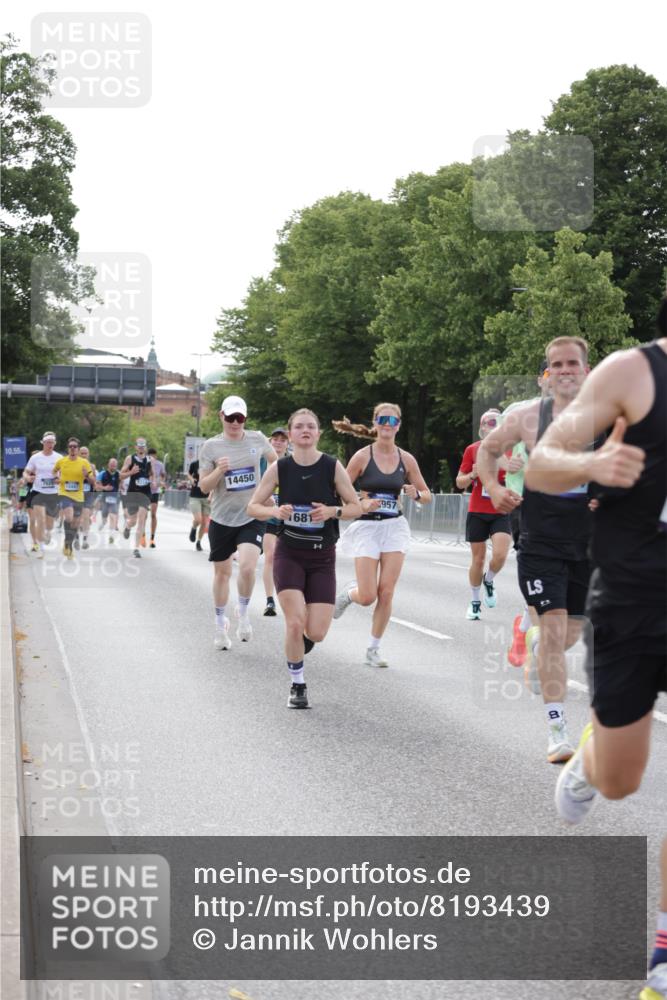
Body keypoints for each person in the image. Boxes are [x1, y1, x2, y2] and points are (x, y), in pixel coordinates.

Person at [525, 310, 667, 1000]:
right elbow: (543, 464)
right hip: (636, 600)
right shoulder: (632, 373)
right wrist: (591, 463)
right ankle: (588, 760)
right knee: (619, 782)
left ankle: (665, 950)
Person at [477, 336, 592, 764]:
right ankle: (558, 730)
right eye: (556, 364)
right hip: (541, 541)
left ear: (586, 370)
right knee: (558, 630)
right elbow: (488, 451)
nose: (565, 370)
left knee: (570, 636)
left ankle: (533, 636)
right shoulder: (527, 418)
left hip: (591, 544)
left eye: (572, 363)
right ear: (547, 373)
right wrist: (492, 486)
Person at [248, 408, 361, 708]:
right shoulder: (280, 468)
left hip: (322, 557)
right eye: (299, 427)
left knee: (318, 632)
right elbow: (253, 507)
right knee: (295, 622)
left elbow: (356, 507)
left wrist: (332, 511)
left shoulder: (332, 467)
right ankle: (298, 684)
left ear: (319, 433)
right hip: (289, 554)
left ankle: (299, 645)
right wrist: (274, 511)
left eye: (311, 426)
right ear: (291, 434)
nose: (305, 430)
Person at [331, 403, 431, 667]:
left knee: (386, 592)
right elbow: (340, 488)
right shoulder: (362, 457)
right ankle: (348, 595)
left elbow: (427, 495)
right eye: (382, 419)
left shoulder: (406, 459)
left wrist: (416, 494)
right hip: (367, 528)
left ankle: (373, 650)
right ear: (375, 423)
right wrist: (360, 503)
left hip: (394, 527)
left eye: (393, 420)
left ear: (399, 425)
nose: (387, 424)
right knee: (368, 596)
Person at [198, 396, 277, 650]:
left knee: (247, 567)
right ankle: (220, 625)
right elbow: (203, 486)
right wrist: (219, 471)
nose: (234, 422)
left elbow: (276, 462)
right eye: (230, 417)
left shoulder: (257, 439)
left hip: (251, 515)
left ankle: (242, 613)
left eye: (239, 418)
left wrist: (268, 490)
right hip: (221, 517)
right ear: (221, 416)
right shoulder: (211, 447)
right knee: (222, 573)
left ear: (245, 418)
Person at [456, 409, 516, 621]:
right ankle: (474, 602)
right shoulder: (473, 450)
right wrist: (473, 473)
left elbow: (520, 478)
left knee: (500, 554)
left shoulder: (511, 450)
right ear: (482, 428)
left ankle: (489, 580)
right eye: (489, 423)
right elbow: (460, 483)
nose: (493, 426)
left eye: (497, 422)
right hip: (478, 510)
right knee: (478, 559)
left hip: (501, 510)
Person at [261, 428, 290, 616]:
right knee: (270, 556)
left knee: (287, 560)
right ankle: (270, 600)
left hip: (289, 518)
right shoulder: (262, 462)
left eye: (282, 440)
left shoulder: (293, 462)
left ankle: (290, 596)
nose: (278, 443)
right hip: (269, 516)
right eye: (275, 439)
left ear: (288, 443)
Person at [52, 438, 95, 559]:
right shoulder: (61, 461)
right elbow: (54, 472)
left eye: (75, 446)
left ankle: (68, 543)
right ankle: (68, 545)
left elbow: (93, 481)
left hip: (79, 496)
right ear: (68, 448)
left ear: (78, 449)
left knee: (76, 523)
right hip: (65, 493)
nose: (72, 448)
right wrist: (56, 478)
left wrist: (86, 475)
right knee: (69, 517)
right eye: (70, 446)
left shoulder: (84, 463)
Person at [22, 432, 62, 558]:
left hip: (53, 493)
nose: (50, 445)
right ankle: (40, 548)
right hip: (38, 491)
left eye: (52, 443)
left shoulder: (59, 458)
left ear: (54, 444)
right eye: (48, 442)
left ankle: (49, 533)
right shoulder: (35, 458)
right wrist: (27, 477)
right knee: (40, 519)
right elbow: (26, 471)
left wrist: (60, 479)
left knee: (49, 524)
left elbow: (64, 474)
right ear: (43, 443)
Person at [120, 437, 153, 559]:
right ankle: (127, 527)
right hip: (133, 493)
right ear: (135, 447)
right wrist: (131, 473)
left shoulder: (150, 460)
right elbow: (121, 476)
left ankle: (136, 548)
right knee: (133, 521)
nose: (141, 448)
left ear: (145, 447)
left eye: (143, 446)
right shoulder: (130, 459)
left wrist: (154, 482)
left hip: (145, 494)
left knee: (141, 520)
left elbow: (152, 474)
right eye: (139, 446)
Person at [188, 457, 210, 552]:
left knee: (204, 522)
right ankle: (193, 528)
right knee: (198, 519)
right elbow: (188, 473)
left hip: (207, 497)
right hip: (195, 496)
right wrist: (191, 479)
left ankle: (199, 542)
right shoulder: (195, 464)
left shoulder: (211, 464)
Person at [78, 446, 97, 549]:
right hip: (77, 494)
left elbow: (93, 481)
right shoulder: (75, 465)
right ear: (78, 454)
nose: (84, 455)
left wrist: (87, 476)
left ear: (88, 454)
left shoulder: (92, 466)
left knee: (86, 515)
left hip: (88, 494)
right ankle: (76, 535)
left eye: (86, 453)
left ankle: (85, 539)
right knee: (77, 517)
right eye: (82, 453)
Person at [98, 457, 121, 543]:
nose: (113, 467)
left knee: (112, 516)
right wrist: (104, 487)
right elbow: (97, 487)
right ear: (108, 465)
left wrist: (121, 488)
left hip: (115, 498)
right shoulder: (102, 474)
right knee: (105, 517)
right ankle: (103, 523)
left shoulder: (119, 474)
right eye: (112, 465)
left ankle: (111, 536)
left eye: (115, 465)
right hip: (104, 498)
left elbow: (121, 483)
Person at [147, 448, 166, 548]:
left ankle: (152, 538)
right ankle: (142, 535)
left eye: (154, 456)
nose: (152, 458)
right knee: (144, 514)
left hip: (155, 491)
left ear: (156, 456)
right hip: (145, 491)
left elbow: (163, 476)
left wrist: (160, 482)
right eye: (150, 456)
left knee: (153, 514)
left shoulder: (160, 464)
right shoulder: (145, 464)